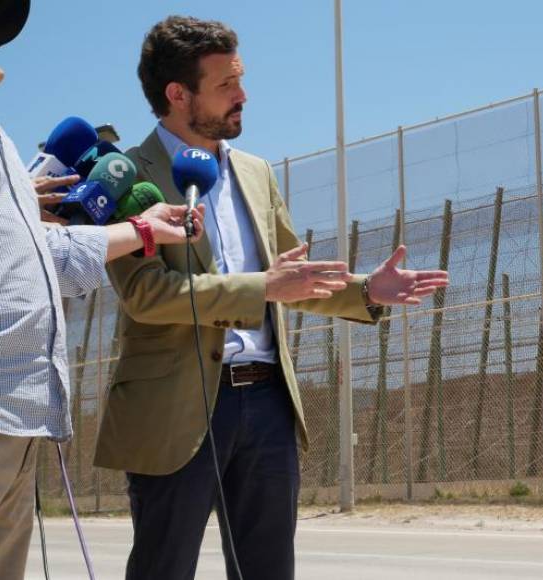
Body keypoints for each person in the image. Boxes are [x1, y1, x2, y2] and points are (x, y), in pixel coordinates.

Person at [93, 15, 449, 580]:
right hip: (175, 410)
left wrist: (365, 291)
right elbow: (147, 295)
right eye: (226, 85)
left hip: (267, 404)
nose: (243, 95)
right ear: (178, 94)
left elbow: (294, 278)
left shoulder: (257, 172)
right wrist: (263, 287)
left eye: (241, 79)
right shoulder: (126, 175)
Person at [0, 3, 204, 579]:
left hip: (20, 417)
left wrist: (141, 229)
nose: (4, 71)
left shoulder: (5, 152)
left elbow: (46, 262)